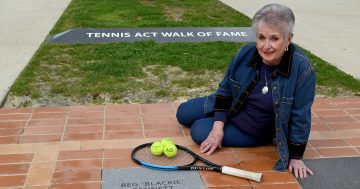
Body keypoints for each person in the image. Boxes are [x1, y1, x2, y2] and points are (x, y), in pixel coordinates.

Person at [176, 3, 315, 179]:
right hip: (235, 103)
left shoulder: (302, 69)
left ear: (288, 39)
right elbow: (226, 88)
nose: (266, 46)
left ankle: (219, 120)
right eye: (261, 37)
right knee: (183, 113)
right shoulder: (246, 52)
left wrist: (296, 156)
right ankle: (218, 116)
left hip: (252, 128)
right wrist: (218, 125)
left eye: (274, 38)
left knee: (198, 130)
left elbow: (300, 115)